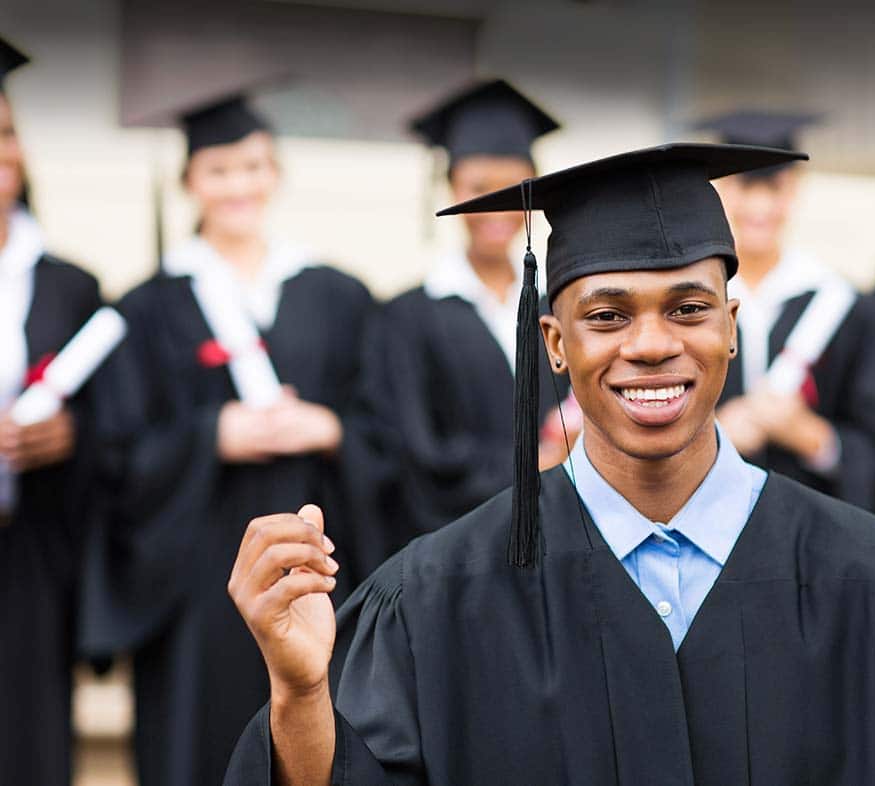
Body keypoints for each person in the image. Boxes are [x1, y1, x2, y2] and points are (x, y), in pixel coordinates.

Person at [226, 142, 875, 786]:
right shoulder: (434, 598)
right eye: (608, 315)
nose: (651, 345)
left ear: (732, 327)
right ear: (554, 344)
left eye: (689, 307)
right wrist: (299, 695)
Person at [83, 89, 392, 786]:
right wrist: (211, 434)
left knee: (318, 729)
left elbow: (385, 429)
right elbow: (115, 454)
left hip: (317, 562)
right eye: (219, 171)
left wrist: (330, 426)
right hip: (197, 579)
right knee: (198, 740)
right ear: (189, 181)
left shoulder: (338, 294)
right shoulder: (147, 305)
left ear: (275, 174)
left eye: (253, 167)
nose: (238, 186)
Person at [382, 78, 575, 541]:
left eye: (513, 188)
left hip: (569, 531)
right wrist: (532, 463)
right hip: (464, 540)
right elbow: (414, 451)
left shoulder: (562, 302)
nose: (496, 206)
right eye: (479, 187)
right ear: (450, 188)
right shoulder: (408, 317)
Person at [702, 111, 875, 517]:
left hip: (813, 539)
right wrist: (708, 436)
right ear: (718, 190)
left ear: (796, 190)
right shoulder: (687, 309)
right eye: (744, 186)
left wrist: (813, 437)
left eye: (775, 186)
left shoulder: (851, 310)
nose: (760, 204)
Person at [0, 37, 103, 786]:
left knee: (29, 748)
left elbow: (113, 430)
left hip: (29, 552)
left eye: (5, 133)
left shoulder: (69, 285)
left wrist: (70, 435)